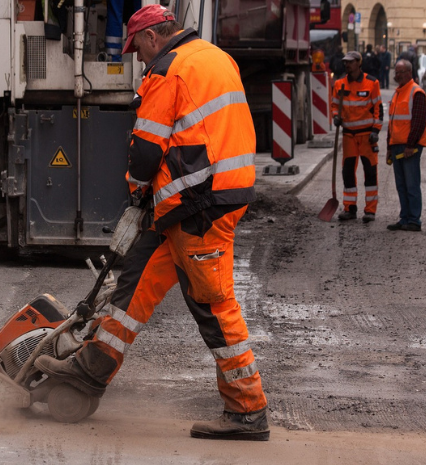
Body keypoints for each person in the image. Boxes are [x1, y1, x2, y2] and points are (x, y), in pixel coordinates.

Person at [35, 4, 269, 441]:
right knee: (133, 286)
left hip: (199, 204)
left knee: (213, 307)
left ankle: (248, 411)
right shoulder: (215, 57)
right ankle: (90, 371)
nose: (137, 57)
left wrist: (136, 193)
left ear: (152, 37)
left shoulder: (167, 70)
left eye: (137, 48)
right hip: (196, 200)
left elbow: (146, 149)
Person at [331, 51, 384, 223]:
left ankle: (370, 211)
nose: (347, 65)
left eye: (351, 62)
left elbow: (378, 108)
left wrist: (376, 130)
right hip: (348, 136)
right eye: (345, 62)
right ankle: (350, 208)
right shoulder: (339, 84)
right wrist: (335, 117)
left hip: (367, 136)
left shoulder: (372, 83)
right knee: (348, 172)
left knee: (370, 173)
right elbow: (334, 105)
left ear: (359, 63)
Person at [386, 60, 426, 232]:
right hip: (397, 145)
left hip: (410, 147)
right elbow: (392, 123)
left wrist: (410, 145)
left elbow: (418, 122)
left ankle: (414, 220)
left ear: (409, 72)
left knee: (411, 185)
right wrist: (389, 146)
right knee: (401, 185)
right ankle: (404, 218)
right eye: (396, 72)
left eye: (401, 72)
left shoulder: (416, 92)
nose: (397, 75)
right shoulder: (397, 93)